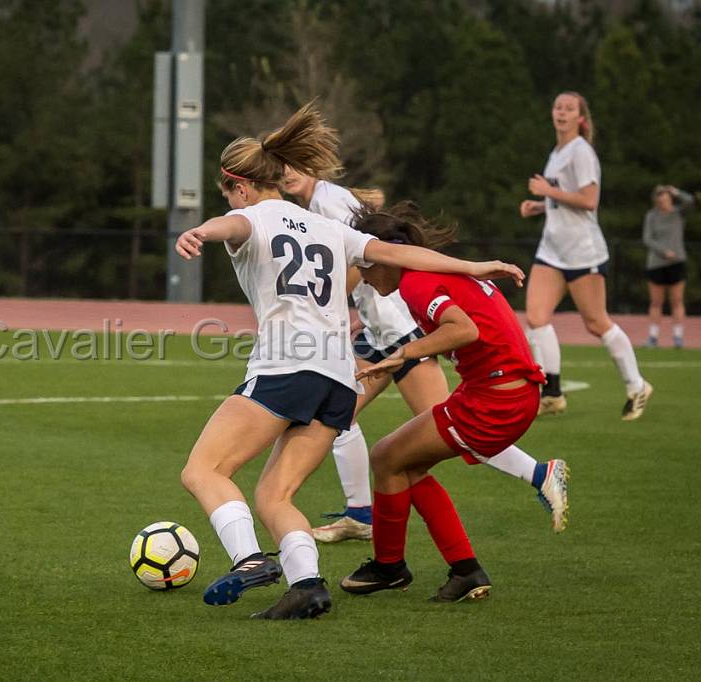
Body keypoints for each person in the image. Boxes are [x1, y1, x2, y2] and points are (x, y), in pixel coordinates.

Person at [175, 101, 526, 619]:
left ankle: (250, 559)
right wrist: (475, 265)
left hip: (285, 367)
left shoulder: (247, 216)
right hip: (338, 378)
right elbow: (400, 254)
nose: (228, 203)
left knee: (204, 470)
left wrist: (202, 232)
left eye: (226, 191)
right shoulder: (325, 227)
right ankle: (307, 587)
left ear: (241, 186)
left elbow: (232, 228)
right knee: (275, 493)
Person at [281, 168, 569, 538]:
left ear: (312, 166)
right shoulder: (322, 201)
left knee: (445, 434)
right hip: (383, 330)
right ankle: (361, 513)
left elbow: (366, 262)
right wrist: (361, 319)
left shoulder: (327, 201)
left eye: (293, 166)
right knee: (340, 414)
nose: (286, 175)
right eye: (281, 170)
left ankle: (537, 476)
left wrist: (327, 307)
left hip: (402, 333)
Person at [340, 202, 543, 603]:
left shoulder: (416, 283)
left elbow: (463, 330)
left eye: (365, 265)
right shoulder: (428, 273)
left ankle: (391, 566)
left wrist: (407, 352)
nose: (362, 276)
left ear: (387, 256)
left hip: (496, 400)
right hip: (504, 391)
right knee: (402, 465)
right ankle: (462, 570)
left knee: (386, 458)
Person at [520, 91, 650, 419]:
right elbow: (565, 199)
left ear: (580, 117)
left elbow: (589, 200)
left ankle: (637, 386)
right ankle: (552, 392)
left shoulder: (581, 151)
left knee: (596, 322)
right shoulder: (557, 151)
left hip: (582, 253)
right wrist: (540, 205)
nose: (561, 112)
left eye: (569, 108)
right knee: (535, 318)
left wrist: (547, 191)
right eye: (557, 106)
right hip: (552, 250)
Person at [643, 185, 694, 348]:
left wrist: (676, 191)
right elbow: (648, 239)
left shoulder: (678, 213)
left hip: (676, 263)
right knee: (656, 302)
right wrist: (664, 252)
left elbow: (691, 201)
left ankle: (678, 337)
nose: (663, 201)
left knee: (677, 301)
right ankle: (653, 336)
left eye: (666, 198)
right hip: (657, 264)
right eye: (660, 198)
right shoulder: (652, 216)